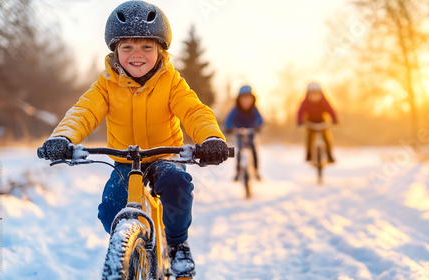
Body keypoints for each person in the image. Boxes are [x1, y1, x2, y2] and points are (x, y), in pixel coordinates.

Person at [38, 1, 228, 278]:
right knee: (110, 211)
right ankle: (130, 248)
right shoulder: (106, 84)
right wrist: (63, 137)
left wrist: (210, 138)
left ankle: (177, 244)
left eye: (146, 47)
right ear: (115, 51)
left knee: (177, 184)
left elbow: (194, 111)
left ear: (161, 50)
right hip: (125, 161)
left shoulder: (172, 82)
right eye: (127, 47)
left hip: (165, 156)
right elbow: (83, 112)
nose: (136, 55)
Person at [225, 85, 264, 180]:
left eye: (248, 99)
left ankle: (256, 170)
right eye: (243, 99)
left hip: (251, 131)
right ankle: (238, 172)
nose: (246, 101)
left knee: (253, 149)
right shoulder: (235, 110)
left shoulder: (254, 110)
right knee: (239, 151)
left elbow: (260, 119)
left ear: (252, 100)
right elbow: (228, 120)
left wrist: (258, 126)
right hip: (239, 131)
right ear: (239, 100)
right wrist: (229, 128)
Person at [297, 82, 338, 163]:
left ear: (321, 94)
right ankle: (308, 155)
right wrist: (299, 121)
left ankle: (329, 155)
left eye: (316, 94)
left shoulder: (324, 101)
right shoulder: (305, 102)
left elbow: (331, 110)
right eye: (312, 94)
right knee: (309, 137)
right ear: (307, 95)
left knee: (326, 137)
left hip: (322, 121)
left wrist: (334, 119)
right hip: (310, 122)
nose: (314, 97)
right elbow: (300, 112)